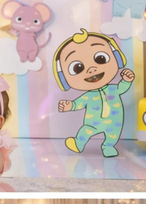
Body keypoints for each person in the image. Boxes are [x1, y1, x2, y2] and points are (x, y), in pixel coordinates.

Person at [54, 29, 135, 157]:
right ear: (63, 77)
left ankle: (108, 146)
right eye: (78, 68)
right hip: (93, 123)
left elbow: (122, 88)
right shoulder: (88, 96)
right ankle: (78, 144)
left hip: (114, 121)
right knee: (85, 131)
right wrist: (70, 106)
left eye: (100, 58)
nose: (91, 69)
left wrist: (127, 80)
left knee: (113, 135)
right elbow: (78, 103)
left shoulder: (113, 89)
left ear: (117, 58)